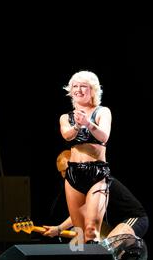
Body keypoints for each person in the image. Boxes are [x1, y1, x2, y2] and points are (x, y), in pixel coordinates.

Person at [43, 150, 149, 240]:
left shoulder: (95, 180)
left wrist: (59, 229)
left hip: (134, 218)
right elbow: (79, 214)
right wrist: (58, 229)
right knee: (80, 234)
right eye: (61, 172)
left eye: (66, 170)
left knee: (111, 245)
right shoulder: (78, 185)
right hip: (113, 224)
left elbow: (84, 211)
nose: (64, 175)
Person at [59, 70, 112, 243]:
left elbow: (104, 137)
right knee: (79, 233)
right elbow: (67, 135)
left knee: (91, 230)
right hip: (73, 173)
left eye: (84, 86)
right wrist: (77, 126)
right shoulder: (65, 117)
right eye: (75, 86)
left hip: (96, 172)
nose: (79, 90)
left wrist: (88, 124)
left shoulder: (103, 112)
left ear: (93, 90)